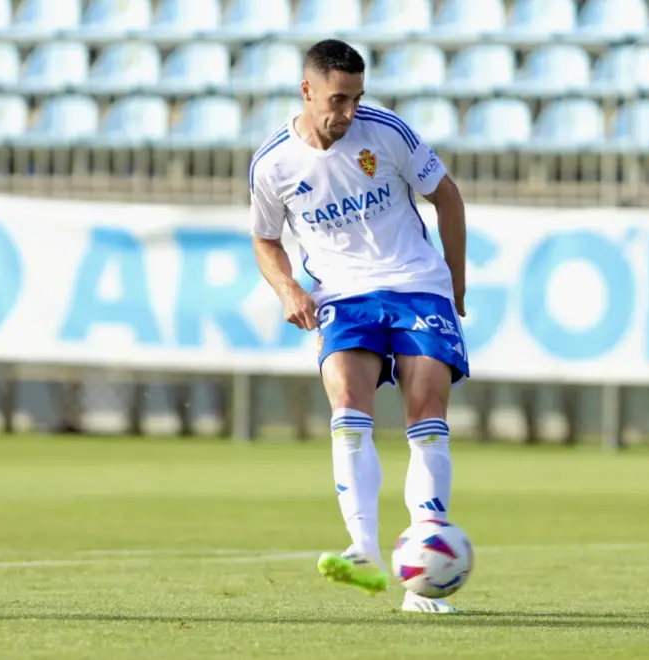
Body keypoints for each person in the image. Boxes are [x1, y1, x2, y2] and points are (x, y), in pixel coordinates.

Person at [249, 39, 469, 615]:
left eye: (355, 99)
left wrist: (456, 280)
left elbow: (447, 198)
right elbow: (265, 239)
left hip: (418, 284)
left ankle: (424, 571)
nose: (348, 113)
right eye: (337, 100)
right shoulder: (273, 163)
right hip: (343, 295)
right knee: (348, 404)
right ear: (307, 91)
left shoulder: (386, 131)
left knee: (426, 413)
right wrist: (287, 288)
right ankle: (364, 551)